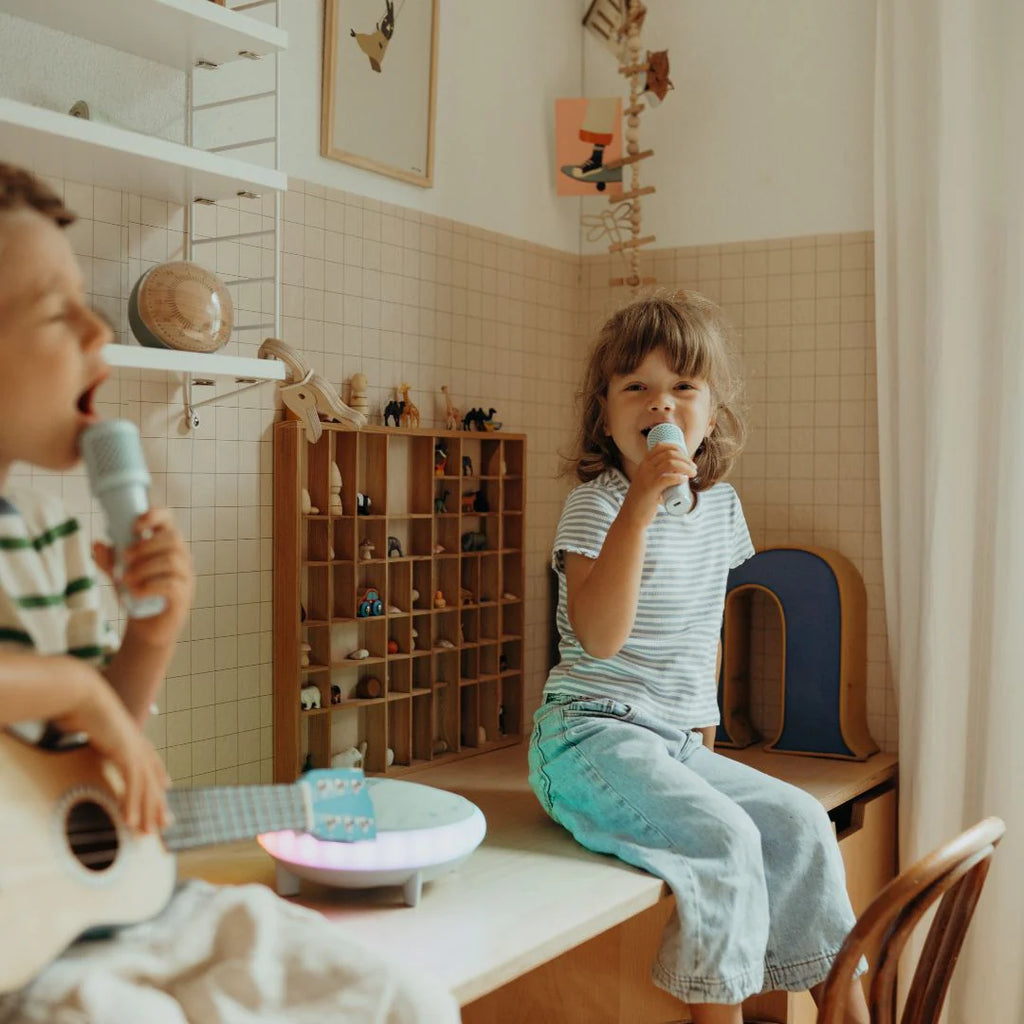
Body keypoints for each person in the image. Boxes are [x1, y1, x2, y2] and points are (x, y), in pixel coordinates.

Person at [0, 164, 458, 1023]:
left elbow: (85, 760)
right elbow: (76, 705)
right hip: (27, 956)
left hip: (116, 911)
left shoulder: (45, 534)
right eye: (60, 312)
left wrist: (152, 635)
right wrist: (73, 689)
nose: (99, 328)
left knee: (405, 1001)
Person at [528, 291, 870, 1024]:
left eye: (683, 387)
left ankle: (847, 1009)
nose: (661, 404)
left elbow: (702, 635)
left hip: (673, 743)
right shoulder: (595, 505)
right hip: (587, 737)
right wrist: (639, 508)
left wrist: (707, 748)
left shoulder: (720, 508)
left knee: (801, 823)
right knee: (725, 839)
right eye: (637, 388)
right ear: (605, 412)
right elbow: (600, 638)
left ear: (710, 415)